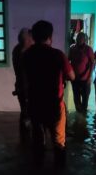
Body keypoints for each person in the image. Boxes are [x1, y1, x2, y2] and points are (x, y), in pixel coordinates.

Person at [23, 20, 75, 167]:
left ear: (34, 36)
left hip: (35, 103)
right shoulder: (58, 55)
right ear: (50, 37)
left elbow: (25, 81)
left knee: (38, 141)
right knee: (59, 142)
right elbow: (72, 76)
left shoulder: (27, 55)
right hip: (55, 105)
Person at [12, 28, 34, 139]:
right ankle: (26, 137)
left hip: (23, 87)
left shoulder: (18, 50)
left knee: (26, 111)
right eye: (30, 39)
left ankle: (25, 138)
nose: (32, 41)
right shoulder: (24, 52)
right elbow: (24, 73)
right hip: (26, 87)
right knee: (27, 112)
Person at [68, 32, 95, 114]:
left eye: (81, 38)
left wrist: (89, 77)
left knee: (85, 97)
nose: (79, 40)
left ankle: (83, 114)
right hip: (75, 78)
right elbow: (68, 60)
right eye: (78, 38)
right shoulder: (72, 49)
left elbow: (92, 63)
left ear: (85, 40)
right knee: (76, 97)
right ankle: (78, 113)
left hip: (85, 78)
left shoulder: (88, 49)